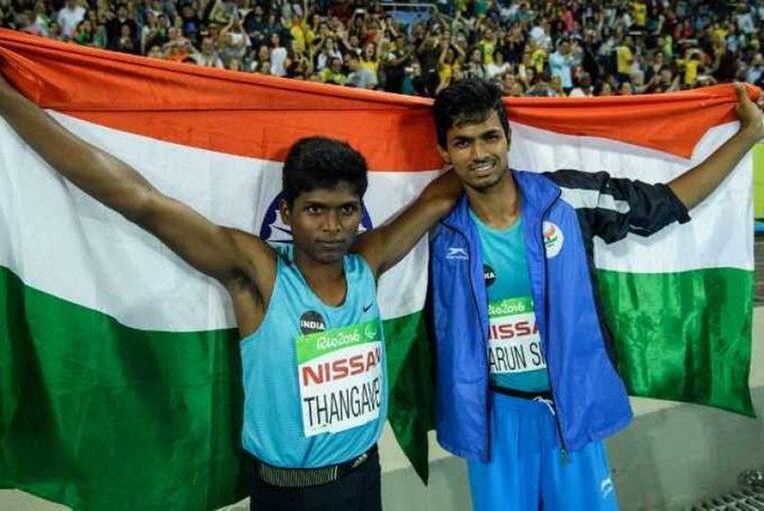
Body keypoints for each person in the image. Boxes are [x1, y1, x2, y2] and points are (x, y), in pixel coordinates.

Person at [0, 74, 461, 511]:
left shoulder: (367, 262)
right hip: (289, 496)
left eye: (346, 210)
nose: (332, 226)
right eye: (315, 210)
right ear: (287, 212)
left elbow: (437, 198)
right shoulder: (257, 274)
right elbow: (140, 201)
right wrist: (6, 98)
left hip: (363, 477)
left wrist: (494, 133)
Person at [428, 78, 763, 510]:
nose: (479, 154)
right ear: (443, 152)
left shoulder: (567, 198)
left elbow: (664, 204)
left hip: (573, 411)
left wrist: (749, 135)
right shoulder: (435, 228)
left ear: (508, 137)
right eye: (463, 142)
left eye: (490, 136)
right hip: (494, 423)